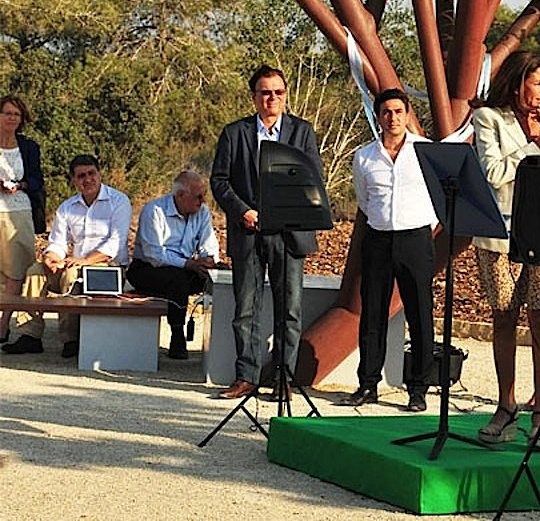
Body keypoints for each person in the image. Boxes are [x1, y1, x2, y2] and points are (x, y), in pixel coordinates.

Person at [471, 52, 540, 448]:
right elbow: (495, 174)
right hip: (500, 233)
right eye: (538, 83)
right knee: (504, 318)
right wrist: (535, 146)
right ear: (518, 84)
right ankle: (506, 405)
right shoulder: (489, 118)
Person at [211, 64, 323, 400]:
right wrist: (243, 211)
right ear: (254, 97)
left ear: (285, 96)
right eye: (265, 92)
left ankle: (283, 379)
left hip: (288, 236)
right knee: (246, 308)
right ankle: (246, 376)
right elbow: (219, 181)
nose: (271, 98)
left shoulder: (301, 131)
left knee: (289, 309)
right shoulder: (235, 133)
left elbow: (313, 179)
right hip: (249, 232)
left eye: (277, 92)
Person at [344, 88, 437, 413]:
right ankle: (368, 384)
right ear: (378, 116)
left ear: (408, 113)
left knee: (420, 314)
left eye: (399, 111)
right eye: (386, 112)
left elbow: (439, 195)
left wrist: (424, 222)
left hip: (416, 238)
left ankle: (418, 388)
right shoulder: (364, 156)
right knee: (372, 313)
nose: (393, 118)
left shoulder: (425, 151)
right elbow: (364, 199)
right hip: (379, 238)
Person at [2, 154, 131, 358]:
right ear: (74, 180)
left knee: (71, 274)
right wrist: (50, 258)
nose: (87, 179)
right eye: (81, 176)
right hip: (75, 263)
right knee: (35, 271)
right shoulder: (68, 207)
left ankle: (71, 339)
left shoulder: (119, 201)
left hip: (107, 268)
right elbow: (58, 242)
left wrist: (83, 261)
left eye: (91, 173)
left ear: (100, 174)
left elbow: (114, 245)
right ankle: (30, 335)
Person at [126, 170, 219, 360]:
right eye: (198, 197)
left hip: (185, 269)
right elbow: (155, 254)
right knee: (178, 280)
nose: (202, 201)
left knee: (217, 279)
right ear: (181, 195)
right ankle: (177, 335)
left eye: (204, 196)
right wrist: (189, 264)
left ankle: (219, 343)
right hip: (148, 268)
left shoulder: (202, 213)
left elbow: (208, 243)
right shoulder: (154, 211)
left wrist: (207, 261)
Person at [0, 95, 46, 344]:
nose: (12, 118)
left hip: (19, 212)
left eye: (16, 115)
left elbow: (38, 180)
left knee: (16, 272)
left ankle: (4, 324)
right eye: (7, 113)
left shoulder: (28, 147)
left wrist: (21, 185)